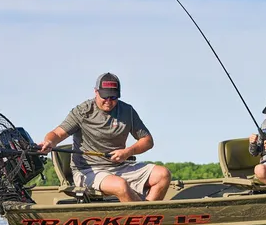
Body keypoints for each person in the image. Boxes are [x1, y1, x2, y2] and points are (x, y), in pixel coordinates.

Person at [39, 72, 171, 202]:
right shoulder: (82, 111)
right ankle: (142, 218)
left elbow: (147, 141)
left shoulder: (127, 111)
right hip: (88, 171)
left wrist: (127, 152)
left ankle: (147, 216)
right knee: (121, 186)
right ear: (96, 92)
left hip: (120, 167)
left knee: (163, 175)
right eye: (105, 97)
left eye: (113, 98)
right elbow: (57, 134)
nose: (109, 101)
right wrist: (49, 142)